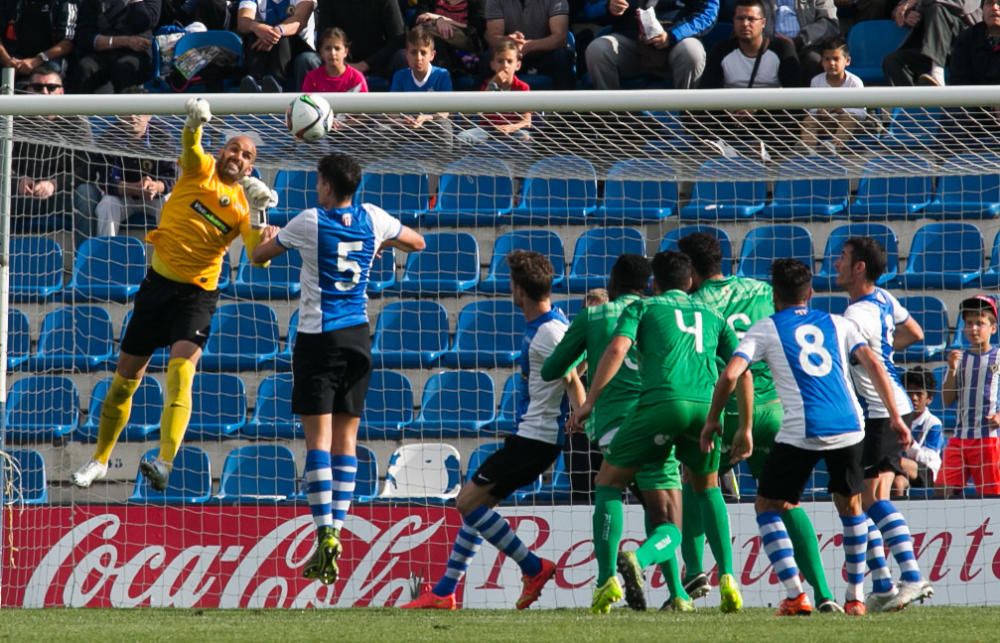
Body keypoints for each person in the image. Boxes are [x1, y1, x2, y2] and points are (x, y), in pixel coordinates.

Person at [69, 98, 279, 491]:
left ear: (251, 167)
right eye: (234, 148)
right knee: (123, 382)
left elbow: (258, 259)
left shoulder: (243, 207)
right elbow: (189, 142)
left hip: (197, 296)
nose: (238, 156)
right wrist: (195, 121)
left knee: (181, 375)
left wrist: (265, 227)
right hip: (157, 287)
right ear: (222, 151)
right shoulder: (200, 170)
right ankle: (99, 460)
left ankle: (164, 462)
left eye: (247, 155)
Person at [250, 152, 425, 586]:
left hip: (318, 339)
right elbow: (418, 242)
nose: (315, 188)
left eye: (317, 182)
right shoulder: (374, 216)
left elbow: (258, 256)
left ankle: (324, 529)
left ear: (327, 185)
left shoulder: (308, 221)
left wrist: (266, 229)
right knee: (348, 442)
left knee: (318, 443)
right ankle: (339, 529)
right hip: (359, 339)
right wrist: (379, 246)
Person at [701, 258, 910, 616]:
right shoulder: (838, 323)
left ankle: (796, 593)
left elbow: (731, 375)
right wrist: (895, 416)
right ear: (810, 293)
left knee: (767, 506)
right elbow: (875, 365)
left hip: (800, 431)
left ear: (773, 295)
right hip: (849, 427)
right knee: (852, 507)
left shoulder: (764, 329)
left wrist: (712, 420)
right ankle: (856, 597)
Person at [403, 250, 585, 610]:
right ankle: (444, 591)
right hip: (532, 437)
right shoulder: (552, 325)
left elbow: (571, 378)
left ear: (519, 290)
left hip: (536, 439)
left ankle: (533, 567)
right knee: (480, 507)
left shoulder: (549, 332)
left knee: (466, 502)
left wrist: (581, 417)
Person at [570, 251, 746, 615]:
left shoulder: (644, 308)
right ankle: (728, 577)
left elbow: (618, 348)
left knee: (608, 483)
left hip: (660, 406)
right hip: (705, 408)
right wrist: (744, 425)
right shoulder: (714, 315)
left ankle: (607, 580)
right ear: (691, 282)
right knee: (707, 487)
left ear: (654, 283)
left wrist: (590, 401)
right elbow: (740, 369)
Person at [677, 232, 841, 613]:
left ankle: (695, 574)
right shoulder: (760, 290)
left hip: (723, 408)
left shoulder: (691, 305)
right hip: (775, 408)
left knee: (698, 481)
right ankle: (824, 593)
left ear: (690, 272)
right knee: (785, 502)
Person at [541, 255, 694, 613]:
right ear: (649, 284)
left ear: (612, 283)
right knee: (666, 516)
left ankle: (606, 578)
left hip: (609, 426)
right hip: (656, 419)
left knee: (609, 487)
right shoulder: (660, 313)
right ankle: (678, 594)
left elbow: (553, 369)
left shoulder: (593, 316)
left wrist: (580, 367)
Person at [835, 236, 934, 610]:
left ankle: (910, 577)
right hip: (890, 406)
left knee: (870, 499)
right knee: (855, 498)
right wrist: (886, 352)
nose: (836, 263)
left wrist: (876, 362)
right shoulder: (882, 298)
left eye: (843, 258)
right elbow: (916, 333)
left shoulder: (853, 317)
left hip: (882, 411)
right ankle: (883, 583)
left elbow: (869, 362)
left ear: (860, 266)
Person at [695, 0, 801, 160]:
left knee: (792, 112)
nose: (745, 24)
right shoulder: (721, 50)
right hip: (731, 114)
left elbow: (797, 93)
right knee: (692, 107)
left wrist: (756, 107)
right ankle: (721, 145)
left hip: (767, 116)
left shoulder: (782, 49)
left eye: (751, 19)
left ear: (763, 22)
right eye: (740, 18)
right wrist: (732, 107)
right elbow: (707, 91)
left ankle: (767, 149)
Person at [74, 103, 176, 248]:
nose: (133, 117)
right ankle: (106, 255)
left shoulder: (162, 135)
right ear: (119, 114)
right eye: (128, 112)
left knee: (169, 204)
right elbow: (106, 181)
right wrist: (135, 188)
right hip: (123, 197)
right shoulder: (108, 138)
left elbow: (171, 177)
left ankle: (169, 258)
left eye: (139, 112)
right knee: (107, 205)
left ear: (149, 115)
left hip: (154, 197)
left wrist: (155, 186)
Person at [12, 65, 92, 234]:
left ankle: (86, 258)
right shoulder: (14, 118)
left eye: (51, 87)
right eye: (38, 87)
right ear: (28, 91)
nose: (45, 93)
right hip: (22, 195)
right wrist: (17, 180)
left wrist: (54, 184)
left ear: (61, 92)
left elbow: (86, 168)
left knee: (87, 194)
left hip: (62, 195)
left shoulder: (77, 120)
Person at [938, 296, 1000, 497]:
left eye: (980, 323)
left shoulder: (998, 357)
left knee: (992, 496)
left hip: (988, 440)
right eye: (969, 323)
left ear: (993, 328)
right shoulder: (958, 358)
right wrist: (951, 369)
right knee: (942, 490)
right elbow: (947, 400)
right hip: (959, 438)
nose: (973, 328)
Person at [584, 0, 719, 90]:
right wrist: (608, 7)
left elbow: (708, 14)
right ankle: (612, 121)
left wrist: (672, 35)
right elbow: (588, 10)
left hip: (677, 42)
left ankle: (688, 119)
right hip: (632, 44)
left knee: (691, 52)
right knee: (597, 50)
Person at [881, 0, 982, 86]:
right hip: (931, 48)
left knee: (936, 9)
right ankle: (911, 106)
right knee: (893, 61)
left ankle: (937, 73)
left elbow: (962, 5)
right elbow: (899, 9)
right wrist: (907, 14)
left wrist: (918, 3)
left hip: (962, 46)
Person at [72, 0, 161, 93]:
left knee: (124, 69)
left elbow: (146, 22)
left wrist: (136, 2)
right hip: (103, 51)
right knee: (85, 67)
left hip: (136, 54)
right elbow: (85, 36)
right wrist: (124, 41)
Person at [484, 0, 574, 90]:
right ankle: (483, 102)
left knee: (562, 57)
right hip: (512, 54)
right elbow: (494, 37)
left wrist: (528, 46)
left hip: (546, 53)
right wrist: (509, 41)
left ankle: (566, 102)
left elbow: (560, 37)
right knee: (488, 58)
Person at [800, 37, 866, 152]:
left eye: (836, 59)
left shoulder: (855, 82)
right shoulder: (816, 81)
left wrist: (842, 110)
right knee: (808, 120)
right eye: (827, 59)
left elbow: (861, 113)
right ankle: (808, 149)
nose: (831, 63)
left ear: (847, 61)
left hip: (849, 125)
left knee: (849, 119)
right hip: (824, 123)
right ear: (822, 61)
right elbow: (812, 109)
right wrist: (819, 111)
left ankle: (833, 146)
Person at [236, 0, 319, 92]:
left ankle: (277, 83)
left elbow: (300, 20)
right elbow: (243, 21)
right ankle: (257, 84)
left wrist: (276, 32)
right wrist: (256, 27)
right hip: (265, 47)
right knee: (254, 34)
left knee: (282, 36)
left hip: (298, 48)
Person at [315, 0, 406, 83]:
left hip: (379, 62)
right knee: (310, 60)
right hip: (338, 61)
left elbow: (397, 40)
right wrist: (343, 64)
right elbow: (323, 37)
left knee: (402, 57)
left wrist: (366, 64)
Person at [390, 26, 454, 132]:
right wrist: (400, 121)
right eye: (414, 52)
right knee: (381, 128)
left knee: (444, 127)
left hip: (432, 125)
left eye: (423, 53)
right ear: (406, 54)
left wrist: (426, 118)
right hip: (406, 126)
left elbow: (445, 111)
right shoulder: (399, 76)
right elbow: (391, 110)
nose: (418, 58)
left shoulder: (442, 75)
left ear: (432, 55)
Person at [893, 367, 944, 497]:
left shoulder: (933, 423)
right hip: (899, 471)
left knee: (892, 462)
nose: (913, 398)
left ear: (929, 399)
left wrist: (910, 444)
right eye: (909, 393)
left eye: (919, 394)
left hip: (925, 472)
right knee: (897, 483)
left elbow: (929, 458)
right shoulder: (898, 419)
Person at [0, 0, 77, 81]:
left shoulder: (64, 3)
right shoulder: (7, 3)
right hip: (13, 57)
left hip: (48, 58)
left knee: (51, 74)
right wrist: (8, 61)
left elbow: (67, 43)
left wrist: (37, 60)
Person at [769, 0, 839, 82]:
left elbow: (830, 25)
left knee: (813, 60)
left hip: (806, 44)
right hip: (768, 42)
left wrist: (801, 40)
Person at [414, 0, 487, 75]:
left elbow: (476, 28)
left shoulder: (477, 2)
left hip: (464, 42)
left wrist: (442, 19)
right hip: (434, 43)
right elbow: (419, 19)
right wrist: (438, 21)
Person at [301, 28, 369, 93]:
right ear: (321, 52)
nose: (333, 53)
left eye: (337, 48)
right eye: (328, 48)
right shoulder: (312, 78)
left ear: (345, 51)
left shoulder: (356, 78)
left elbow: (364, 103)